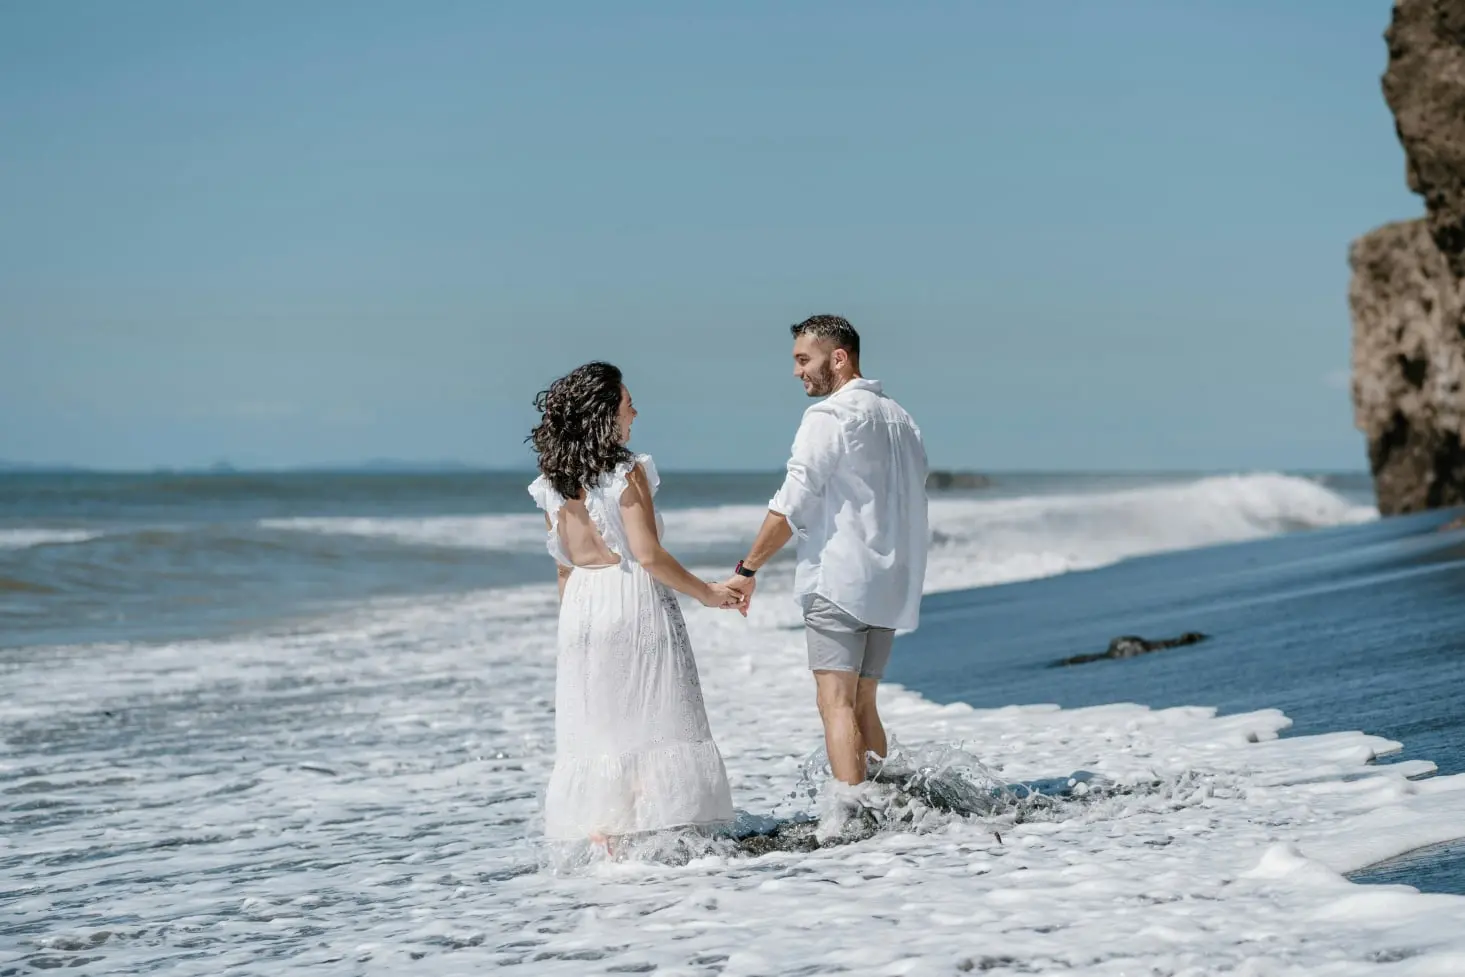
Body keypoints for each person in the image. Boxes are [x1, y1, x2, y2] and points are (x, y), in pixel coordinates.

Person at [528, 361, 739, 846]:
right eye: (627, 404)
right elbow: (647, 555)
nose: (636, 412)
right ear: (604, 415)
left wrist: (573, 633)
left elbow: (564, 566)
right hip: (631, 601)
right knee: (655, 722)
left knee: (600, 732)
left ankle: (607, 845)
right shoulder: (626, 471)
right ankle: (662, 846)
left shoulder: (551, 483)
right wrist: (708, 594)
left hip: (580, 610)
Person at [723, 316, 929, 797]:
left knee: (834, 703)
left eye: (803, 360)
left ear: (839, 357)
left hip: (839, 580)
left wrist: (746, 569)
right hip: (890, 583)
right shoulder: (902, 419)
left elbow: (792, 502)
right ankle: (890, 805)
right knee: (864, 704)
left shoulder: (828, 418)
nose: (797, 372)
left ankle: (853, 815)